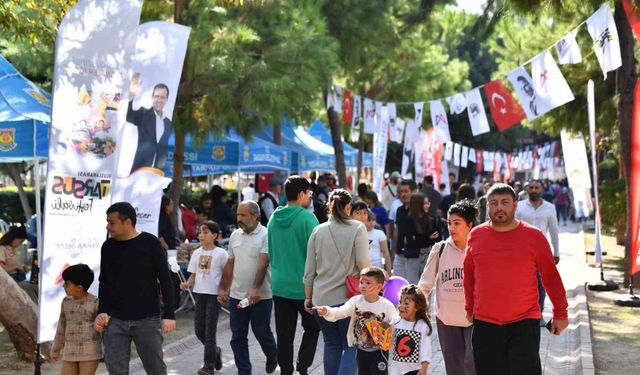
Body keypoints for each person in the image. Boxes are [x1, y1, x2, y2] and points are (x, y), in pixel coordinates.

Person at [463, 184, 569, 375]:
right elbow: (469, 276)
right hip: (485, 322)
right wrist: (469, 308)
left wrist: (560, 312)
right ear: (487, 206)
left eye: (505, 202)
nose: (499, 208)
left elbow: (550, 276)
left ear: (515, 205)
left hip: (524, 321)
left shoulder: (534, 236)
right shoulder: (476, 236)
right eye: (493, 203)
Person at [94, 202, 175, 375]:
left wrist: (169, 315)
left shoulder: (150, 243)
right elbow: (104, 282)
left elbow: (166, 280)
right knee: (116, 369)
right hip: (114, 321)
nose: (108, 226)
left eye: (112, 222)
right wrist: (103, 311)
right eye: (107, 222)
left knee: (155, 368)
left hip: (147, 319)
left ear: (128, 222)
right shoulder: (107, 247)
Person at [303, 189, 371, 375]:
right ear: (348, 207)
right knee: (351, 345)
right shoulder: (358, 228)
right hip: (348, 298)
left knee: (331, 344)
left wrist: (308, 298)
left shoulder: (317, 230)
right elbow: (364, 264)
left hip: (321, 298)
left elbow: (309, 270)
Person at [267, 175, 320, 375]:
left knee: (284, 334)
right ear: (301, 194)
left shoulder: (273, 218)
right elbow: (317, 254)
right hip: (304, 286)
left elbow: (270, 250)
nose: (310, 197)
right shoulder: (308, 217)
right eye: (309, 193)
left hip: (279, 284)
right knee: (313, 328)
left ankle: (286, 371)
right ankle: (303, 366)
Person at [218, 201, 278, 375]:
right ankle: (244, 371)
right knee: (237, 337)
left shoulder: (267, 235)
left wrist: (255, 288)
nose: (239, 219)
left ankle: (272, 355)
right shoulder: (235, 236)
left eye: (243, 215)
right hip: (237, 295)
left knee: (261, 332)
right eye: (237, 215)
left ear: (255, 216)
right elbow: (230, 263)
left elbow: (263, 263)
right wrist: (223, 288)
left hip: (261, 295)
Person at [419, 200, 478, 375]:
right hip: (446, 319)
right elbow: (425, 283)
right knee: (454, 368)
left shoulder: (479, 249)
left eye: (457, 223)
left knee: (472, 364)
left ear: (470, 225)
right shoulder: (440, 249)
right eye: (449, 222)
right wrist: (418, 309)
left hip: (474, 319)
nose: (452, 227)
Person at [314, 267, 397, 375]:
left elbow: (396, 323)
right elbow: (341, 311)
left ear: (379, 287)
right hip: (360, 351)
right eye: (361, 282)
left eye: (368, 283)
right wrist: (327, 311)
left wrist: (385, 332)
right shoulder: (355, 302)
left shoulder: (387, 306)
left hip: (379, 352)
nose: (363, 285)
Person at [180, 221, 227, 375]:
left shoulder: (221, 254)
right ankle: (215, 351)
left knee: (209, 331)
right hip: (200, 294)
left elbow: (227, 275)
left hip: (214, 296)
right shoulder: (196, 253)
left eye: (205, 232)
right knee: (199, 330)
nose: (201, 235)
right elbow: (193, 274)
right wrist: (187, 284)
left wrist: (225, 291)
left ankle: (209, 365)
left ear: (215, 235)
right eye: (200, 232)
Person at [515, 179, 560, 325]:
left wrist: (556, 252)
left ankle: (538, 314)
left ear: (542, 189)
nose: (534, 190)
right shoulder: (519, 207)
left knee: (541, 284)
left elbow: (554, 231)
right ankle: (521, 313)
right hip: (521, 252)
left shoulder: (550, 208)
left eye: (537, 187)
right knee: (522, 283)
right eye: (531, 187)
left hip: (542, 252)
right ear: (526, 189)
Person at [50, 264, 102, 375]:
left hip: (90, 353)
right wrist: (55, 349)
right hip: (69, 352)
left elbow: (103, 328)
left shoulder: (95, 302)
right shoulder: (66, 302)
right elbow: (61, 326)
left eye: (67, 284)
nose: (63, 286)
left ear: (79, 288)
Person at [126, 73, 172, 174]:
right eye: (157, 96)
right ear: (152, 97)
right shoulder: (144, 114)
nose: (159, 100)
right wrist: (131, 94)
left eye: (162, 97)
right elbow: (128, 115)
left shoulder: (169, 123)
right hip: (139, 172)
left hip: (157, 174)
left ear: (166, 100)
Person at [388, 284, 432, 375]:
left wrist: (424, 368)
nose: (401, 306)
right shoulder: (395, 322)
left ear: (416, 307)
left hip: (414, 371)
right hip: (395, 371)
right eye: (400, 302)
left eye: (406, 303)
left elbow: (426, 349)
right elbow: (388, 343)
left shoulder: (422, 326)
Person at [401, 193, 441, 284]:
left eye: (428, 203)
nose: (427, 206)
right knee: (413, 284)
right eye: (424, 203)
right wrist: (428, 238)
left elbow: (436, 237)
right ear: (417, 205)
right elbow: (411, 241)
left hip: (428, 254)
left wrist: (421, 238)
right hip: (413, 256)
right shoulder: (409, 220)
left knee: (426, 284)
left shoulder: (431, 218)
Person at [393, 180, 418, 278]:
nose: (403, 194)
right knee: (397, 283)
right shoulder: (399, 210)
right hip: (399, 253)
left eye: (406, 191)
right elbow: (397, 229)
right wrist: (394, 249)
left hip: (414, 255)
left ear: (414, 191)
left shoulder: (420, 210)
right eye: (401, 192)